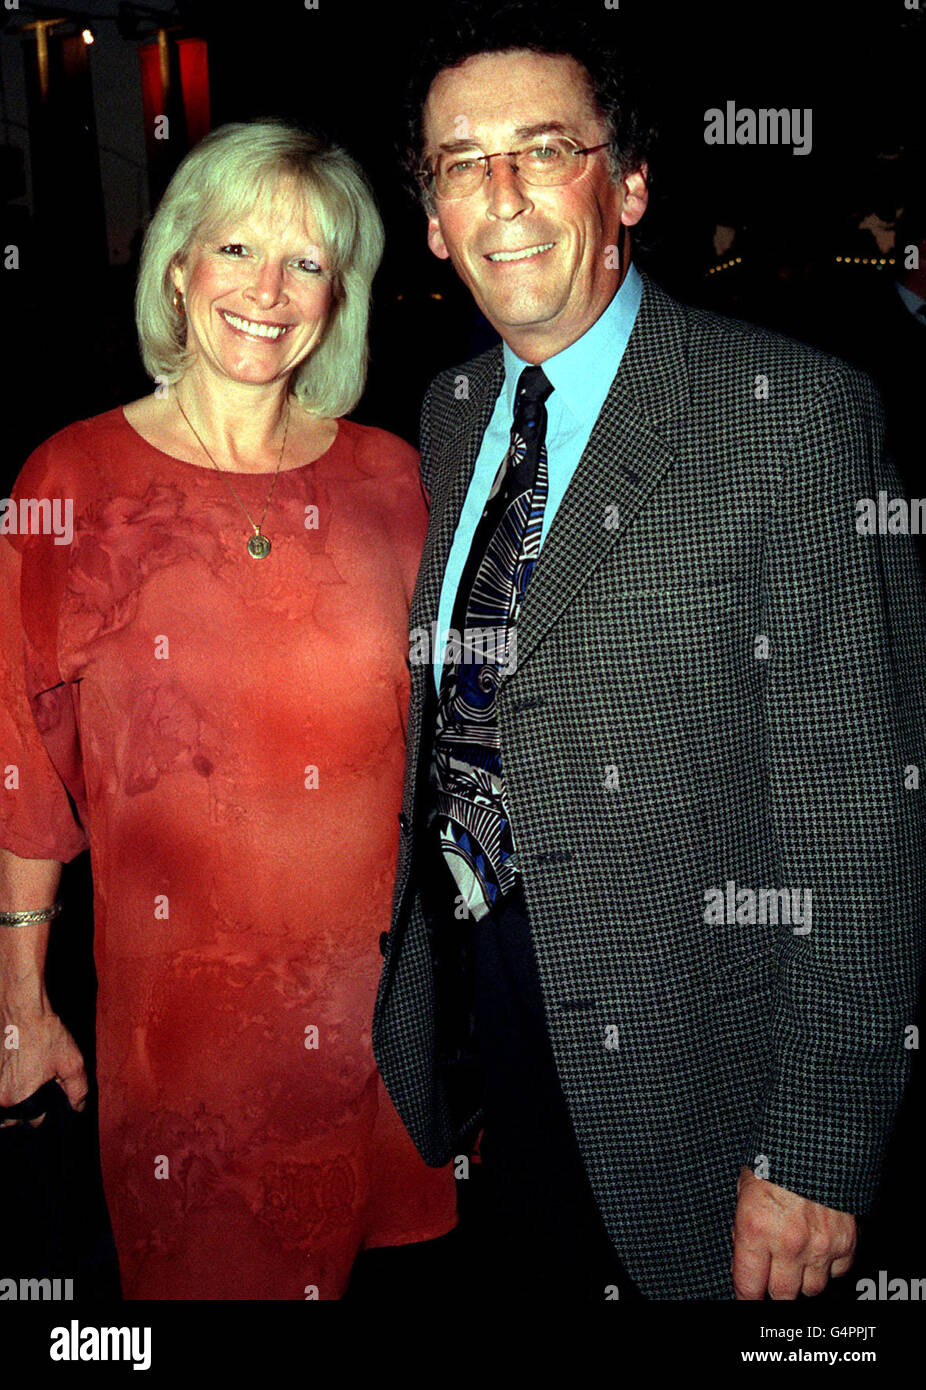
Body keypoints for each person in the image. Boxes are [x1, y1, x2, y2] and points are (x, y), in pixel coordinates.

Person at [372, 2, 926, 1301]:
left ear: (624, 186)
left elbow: (863, 821)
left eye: (543, 148)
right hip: (479, 1052)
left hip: (692, 1081)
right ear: (435, 222)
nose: (501, 194)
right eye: (463, 163)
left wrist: (818, 1148)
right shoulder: (449, 411)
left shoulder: (789, 419)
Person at [0, 119, 456, 1299]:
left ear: (340, 295)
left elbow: (462, 753)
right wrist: (22, 1002)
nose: (268, 290)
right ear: (176, 267)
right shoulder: (70, 480)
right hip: (185, 1046)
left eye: (307, 263)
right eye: (237, 249)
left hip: (388, 1033)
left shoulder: (397, 480)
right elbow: (20, 763)